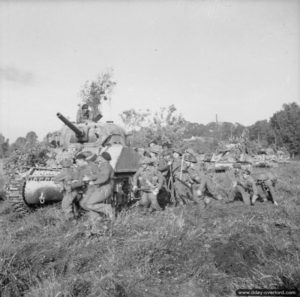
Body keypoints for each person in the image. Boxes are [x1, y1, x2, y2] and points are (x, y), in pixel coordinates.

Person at [79, 151, 115, 236]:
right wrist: (89, 178)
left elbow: (104, 178)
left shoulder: (106, 166)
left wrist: (94, 183)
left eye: (100, 157)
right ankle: (97, 220)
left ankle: (107, 209)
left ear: (103, 158)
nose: (98, 158)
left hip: (105, 188)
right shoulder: (102, 165)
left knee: (89, 203)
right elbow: (98, 175)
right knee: (86, 203)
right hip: (101, 188)